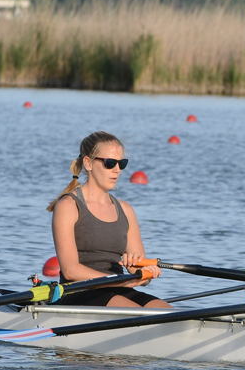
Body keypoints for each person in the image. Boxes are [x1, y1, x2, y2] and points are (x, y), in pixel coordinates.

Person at [47, 131, 168, 308]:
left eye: (122, 163)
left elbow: (137, 269)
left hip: (118, 289)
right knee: (136, 312)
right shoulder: (68, 206)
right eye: (110, 163)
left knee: (166, 311)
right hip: (79, 291)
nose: (117, 170)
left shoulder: (126, 210)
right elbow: (70, 270)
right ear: (88, 163)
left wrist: (146, 274)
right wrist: (119, 281)